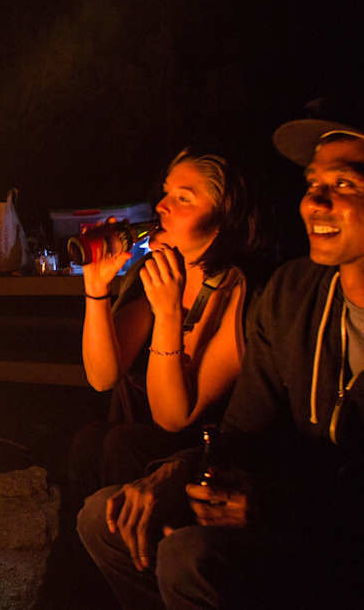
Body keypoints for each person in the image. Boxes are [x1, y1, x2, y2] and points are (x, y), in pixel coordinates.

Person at [77, 118, 364, 609]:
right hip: (285, 513)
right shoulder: (295, 296)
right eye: (312, 183)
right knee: (103, 516)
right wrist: (171, 475)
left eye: (343, 184)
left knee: (188, 551)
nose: (314, 202)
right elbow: (241, 434)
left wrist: (286, 512)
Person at [69, 150, 263, 496]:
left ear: (223, 218)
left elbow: (174, 419)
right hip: (147, 440)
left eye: (182, 198)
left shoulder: (238, 291)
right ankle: (81, 545)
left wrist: (169, 314)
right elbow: (102, 377)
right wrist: (96, 289)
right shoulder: (156, 272)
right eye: (165, 192)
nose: (161, 206)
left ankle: (130, 544)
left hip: (210, 457)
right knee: (88, 441)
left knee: (122, 443)